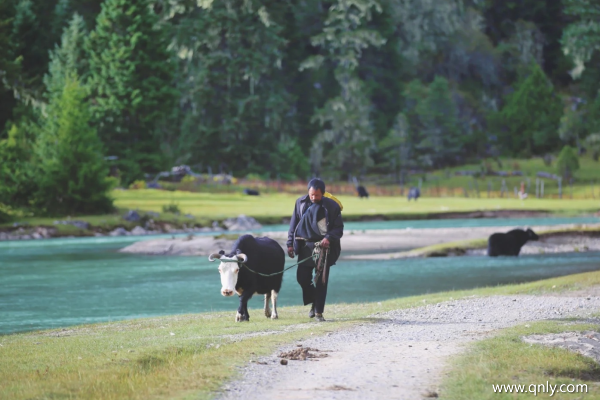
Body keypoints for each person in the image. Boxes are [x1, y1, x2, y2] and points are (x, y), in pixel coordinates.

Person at [287, 178, 344, 322]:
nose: (313, 198)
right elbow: (293, 226)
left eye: (317, 195)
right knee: (302, 278)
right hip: (305, 246)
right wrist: (290, 244)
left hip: (324, 248)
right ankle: (314, 300)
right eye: (311, 194)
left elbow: (338, 228)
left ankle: (318, 312)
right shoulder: (300, 203)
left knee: (321, 281)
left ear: (323, 194)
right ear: (308, 192)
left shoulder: (332, 206)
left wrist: (328, 238)